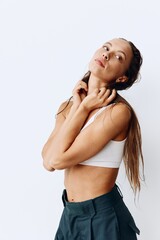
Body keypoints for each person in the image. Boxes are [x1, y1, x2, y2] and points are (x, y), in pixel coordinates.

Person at [42, 37, 144, 240]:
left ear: (123, 77)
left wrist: (85, 107)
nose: (106, 54)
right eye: (106, 47)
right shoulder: (69, 105)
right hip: (69, 216)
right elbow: (48, 162)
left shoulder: (118, 113)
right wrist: (80, 106)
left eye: (118, 56)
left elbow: (59, 160)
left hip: (102, 220)